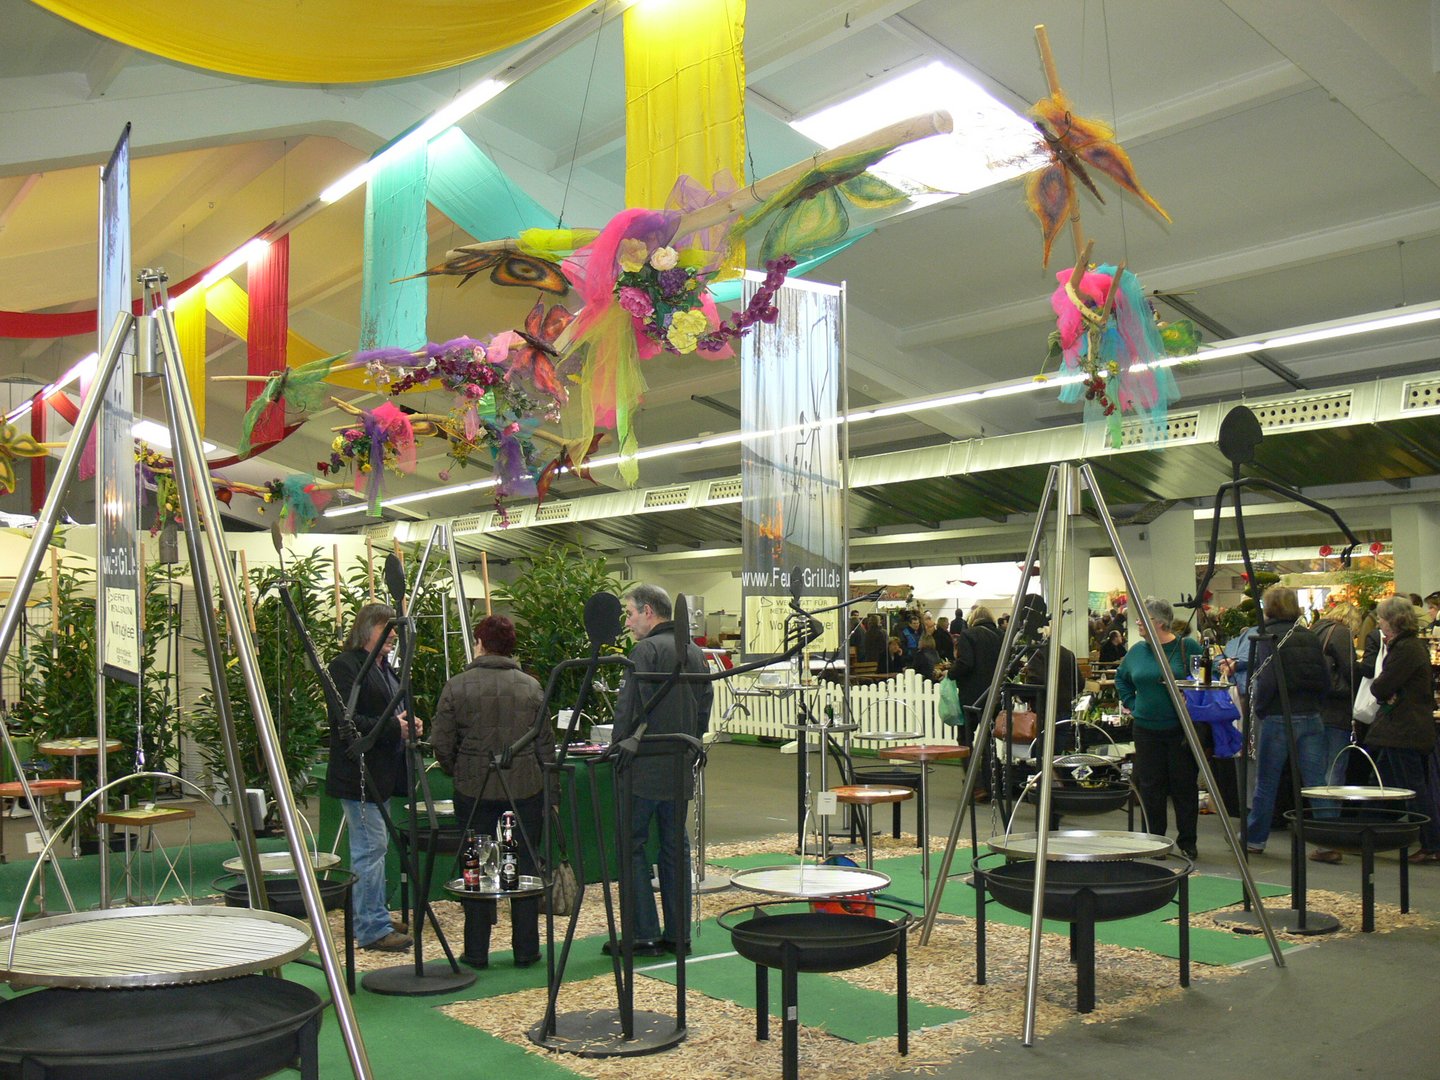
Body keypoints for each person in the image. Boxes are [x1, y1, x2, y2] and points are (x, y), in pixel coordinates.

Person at [430, 615, 550, 968]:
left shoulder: (457, 686)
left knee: (475, 866)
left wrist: (458, 767)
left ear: (480, 644)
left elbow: (441, 742)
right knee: (524, 865)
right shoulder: (532, 687)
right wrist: (551, 791)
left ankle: (476, 950)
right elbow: (545, 744)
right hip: (524, 786)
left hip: (474, 787)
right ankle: (526, 949)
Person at [612, 584, 714, 955]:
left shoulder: (646, 651)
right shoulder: (695, 652)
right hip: (679, 762)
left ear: (648, 612)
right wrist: (691, 744)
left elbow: (629, 708)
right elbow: (704, 707)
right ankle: (678, 934)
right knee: (675, 848)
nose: (627, 622)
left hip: (643, 764)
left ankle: (643, 933)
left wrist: (616, 747)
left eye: (630, 613)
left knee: (631, 845)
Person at [325, 603, 416, 952]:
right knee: (369, 849)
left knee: (375, 848)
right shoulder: (346, 666)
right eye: (386, 627)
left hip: (381, 775)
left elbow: (389, 713)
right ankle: (372, 928)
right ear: (366, 630)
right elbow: (346, 722)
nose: (393, 634)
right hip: (359, 776)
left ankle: (372, 915)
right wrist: (395, 727)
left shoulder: (385, 668)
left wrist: (408, 724)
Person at [1243, 586, 1331, 856]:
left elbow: (1267, 680)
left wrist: (1260, 708)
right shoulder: (1310, 635)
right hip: (1311, 715)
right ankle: (1329, 841)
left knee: (1267, 782)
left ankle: (1255, 839)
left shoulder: (1267, 637)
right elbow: (1324, 677)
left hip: (1278, 715)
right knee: (1317, 784)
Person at [1115, 596, 1204, 859]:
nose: (1138, 622)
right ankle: (1155, 840)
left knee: (1184, 786)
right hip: (1145, 729)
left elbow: (1203, 679)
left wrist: (1191, 695)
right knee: (1150, 787)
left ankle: (1187, 841)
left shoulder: (1187, 647)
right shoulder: (1136, 652)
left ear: (1161, 622)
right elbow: (1121, 679)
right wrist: (1132, 703)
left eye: (1145, 618)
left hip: (1181, 729)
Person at [1364, 596, 1440, 862]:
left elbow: (1380, 687)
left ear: (1393, 621)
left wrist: (1385, 692)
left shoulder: (1406, 649)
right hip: (1401, 730)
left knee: (1412, 789)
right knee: (1381, 785)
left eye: (1382, 619)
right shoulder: (1409, 646)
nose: (1379, 624)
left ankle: (1431, 844)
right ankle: (1371, 836)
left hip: (1404, 731)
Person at [1308, 601, 1359, 862]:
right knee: (1334, 773)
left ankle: (1322, 835)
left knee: (1318, 773)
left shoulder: (1314, 630)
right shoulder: (1341, 633)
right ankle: (1329, 839)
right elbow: (1351, 671)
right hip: (1337, 711)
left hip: (1315, 708)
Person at [949, 605, 1002, 749]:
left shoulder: (968, 634)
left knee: (965, 736)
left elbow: (966, 663)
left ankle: (969, 763)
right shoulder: (1001, 635)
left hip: (971, 695)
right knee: (989, 737)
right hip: (994, 693)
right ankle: (989, 763)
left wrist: (951, 673)